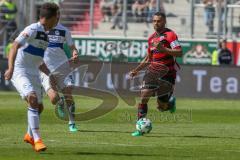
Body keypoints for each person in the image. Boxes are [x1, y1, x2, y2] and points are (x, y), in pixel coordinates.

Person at [4, 2, 59, 152]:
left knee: (39, 107)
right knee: (33, 99)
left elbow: (38, 60)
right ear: (51, 18)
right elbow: (15, 45)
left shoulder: (46, 36)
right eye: (57, 16)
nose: (58, 20)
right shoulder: (33, 29)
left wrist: (49, 74)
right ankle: (38, 139)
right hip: (20, 70)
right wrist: (10, 68)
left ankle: (29, 135)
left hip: (34, 71)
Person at [129, 12, 182, 136]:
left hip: (168, 74)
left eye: (158, 21)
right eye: (154, 21)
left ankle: (169, 104)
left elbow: (179, 52)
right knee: (144, 96)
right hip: (152, 71)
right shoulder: (151, 39)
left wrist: (164, 49)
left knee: (161, 106)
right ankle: (139, 128)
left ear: (164, 22)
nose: (156, 23)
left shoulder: (171, 35)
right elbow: (148, 58)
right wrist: (136, 70)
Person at [40, 10, 79, 132]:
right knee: (53, 99)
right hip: (46, 68)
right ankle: (60, 102)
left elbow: (73, 47)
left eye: (57, 16)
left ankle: (72, 122)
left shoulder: (64, 30)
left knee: (68, 93)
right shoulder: (40, 29)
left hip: (62, 66)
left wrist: (75, 53)